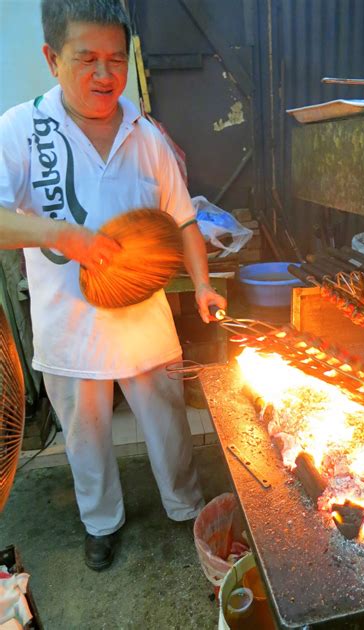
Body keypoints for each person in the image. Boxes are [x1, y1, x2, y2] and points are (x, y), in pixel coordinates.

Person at [0, 0, 226, 571]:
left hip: (146, 324)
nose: (105, 75)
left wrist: (201, 286)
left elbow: (182, 219)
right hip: (69, 329)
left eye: (116, 59)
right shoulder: (19, 130)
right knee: (87, 440)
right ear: (52, 59)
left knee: (169, 426)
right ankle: (101, 524)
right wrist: (60, 234)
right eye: (87, 59)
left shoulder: (143, 131)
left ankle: (184, 507)